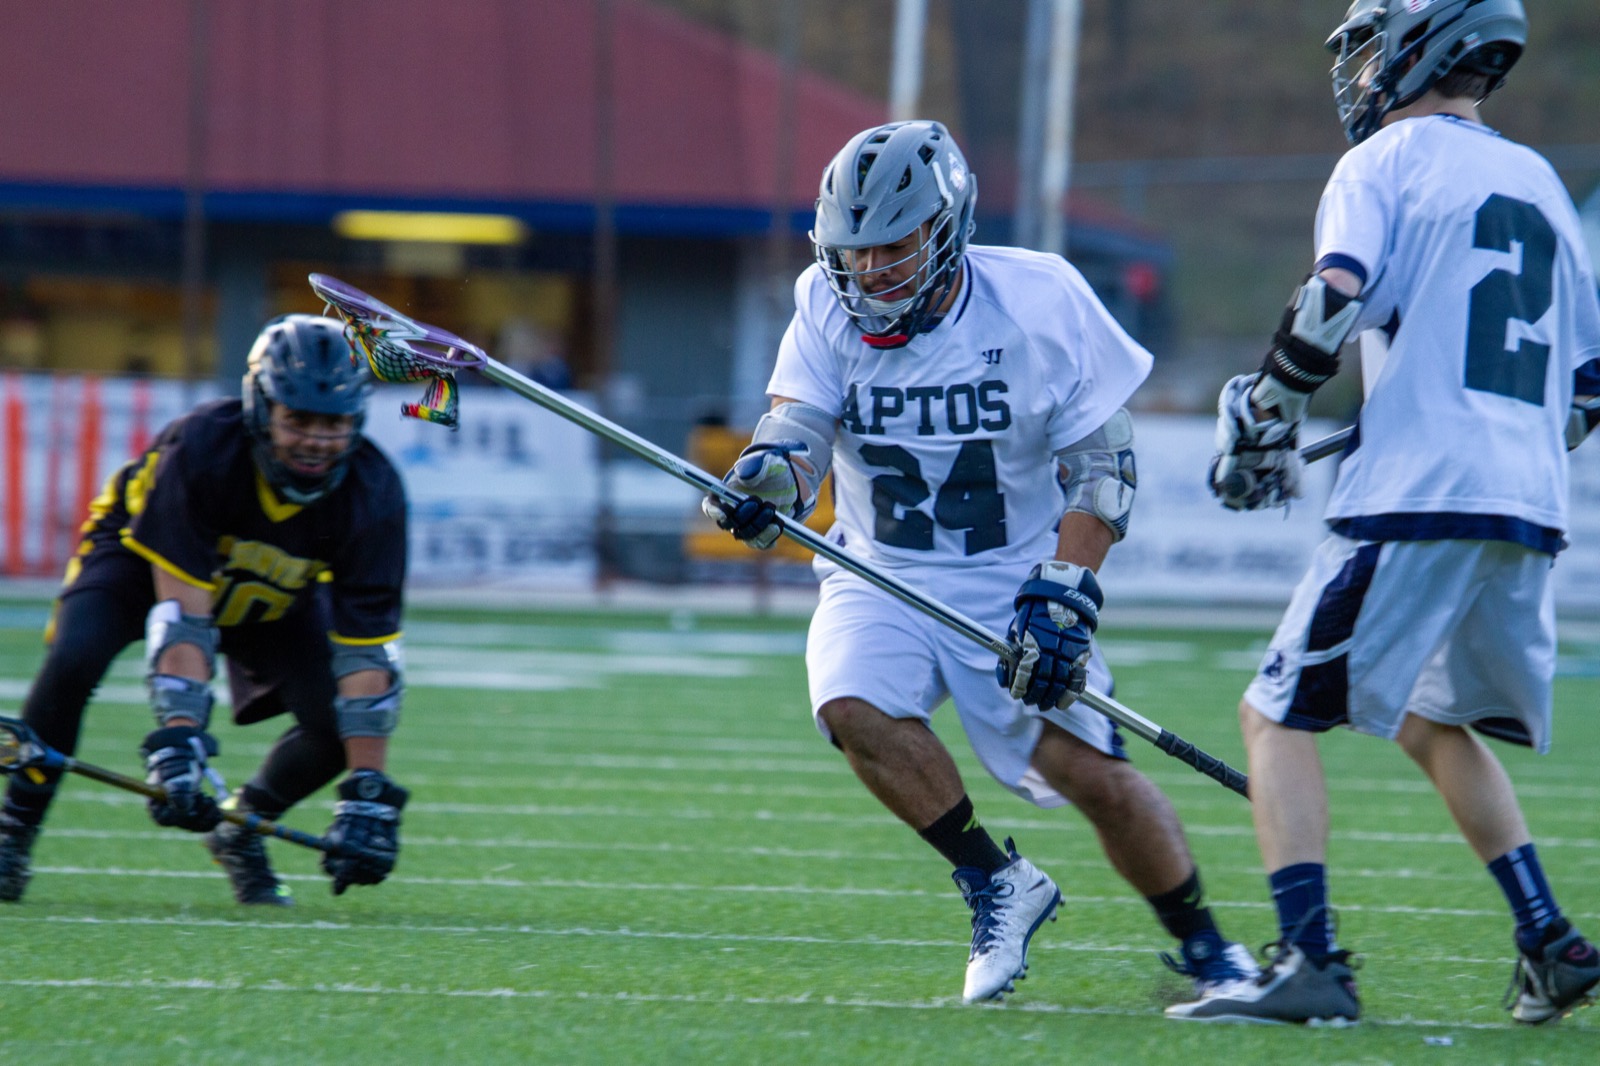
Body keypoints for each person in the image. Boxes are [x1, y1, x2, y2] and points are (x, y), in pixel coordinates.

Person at [704, 119, 1256, 1007]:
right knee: (851, 703)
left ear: (947, 226)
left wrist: (1067, 592)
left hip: (1013, 574)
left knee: (1093, 778)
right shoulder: (823, 301)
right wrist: (765, 481)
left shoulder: (1039, 299)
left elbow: (1104, 473)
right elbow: (796, 431)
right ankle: (995, 881)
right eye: (855, 249)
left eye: (893, 246)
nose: (870, 270)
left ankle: (1207, 949)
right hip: (880, 567)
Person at [1170, 0, 1600, 1025]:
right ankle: (1548, 941)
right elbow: (1585, 392)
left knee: (1272, 716)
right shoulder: (1538, 179)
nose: (1357, 71)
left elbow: (1334, 293)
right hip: (1526, 499)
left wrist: (1266, 414)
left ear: (1422, 43)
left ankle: (1309, 960)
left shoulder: (1383, 163)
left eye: (1366, 47)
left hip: (1418, 494)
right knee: (1428, 715)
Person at [0, 315, 411, 907]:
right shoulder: (204, 447)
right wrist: (181, 741)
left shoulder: (374, 491)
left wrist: (366, 791)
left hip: (270, 586)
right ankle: (15, 828)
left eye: (335, 423)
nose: (318, 440)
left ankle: (240, 828)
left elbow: (367, 657)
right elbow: (184, 616)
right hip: (141, 562)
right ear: (260, 410)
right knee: (74, 658)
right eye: (299, 420)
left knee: (335, 722)